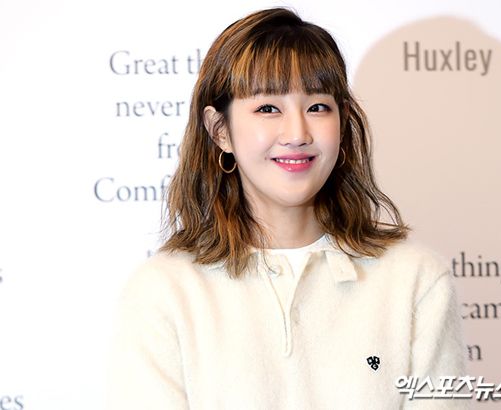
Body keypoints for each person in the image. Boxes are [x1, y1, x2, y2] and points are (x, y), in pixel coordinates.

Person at [107, 7, 467, 409]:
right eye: (268, 108)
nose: (297, 134)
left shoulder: (414, 279)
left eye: (317, 107)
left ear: (343, 124)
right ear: (220, 130)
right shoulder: (165, 291)